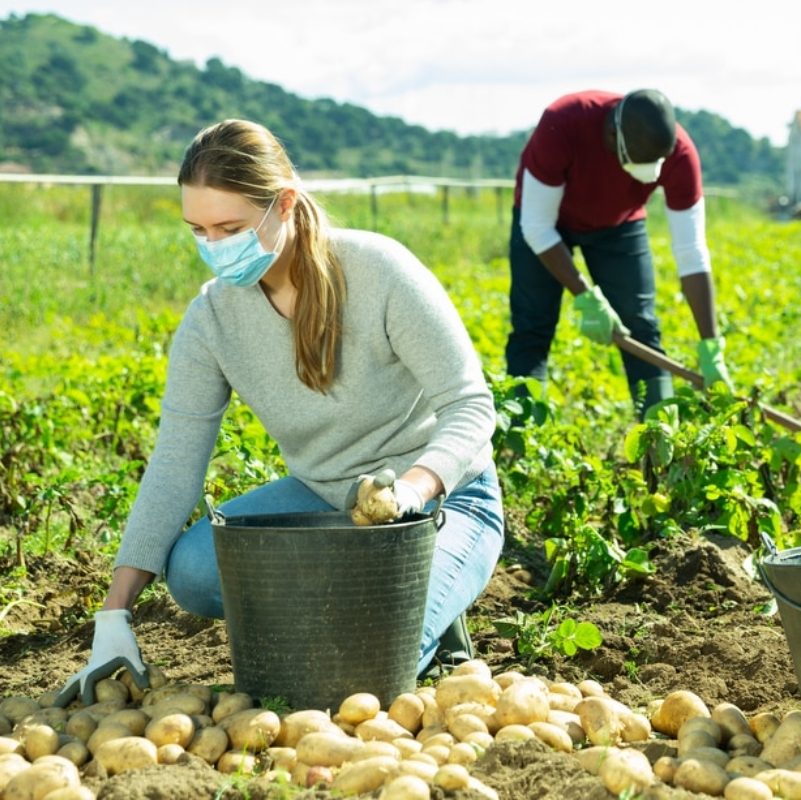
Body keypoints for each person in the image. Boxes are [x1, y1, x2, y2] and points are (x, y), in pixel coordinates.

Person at [55, 119, 503, 705]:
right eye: (199, 230)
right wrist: (113, 615)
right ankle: (370, 600)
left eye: (231, 228)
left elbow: (470, 405)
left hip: (440, 502)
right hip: (323, 502)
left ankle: (428, 606)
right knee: (192, 569)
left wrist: (414, 491)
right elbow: (174, 464)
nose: (215, 248)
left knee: (358, 671)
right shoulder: (213, 318)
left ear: (284, 204)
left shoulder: (379, 271)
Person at [505, 88, 733, 416]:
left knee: (641, 328)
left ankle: (659, 442)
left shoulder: (680, 156)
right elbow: (537, 227)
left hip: (618, 225)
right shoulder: (564, 123)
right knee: (533, 325)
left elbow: (692, 252)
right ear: (612, 137)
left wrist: (710, 346)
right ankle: (520, 438)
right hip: (546, 223)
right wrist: (585, 295)